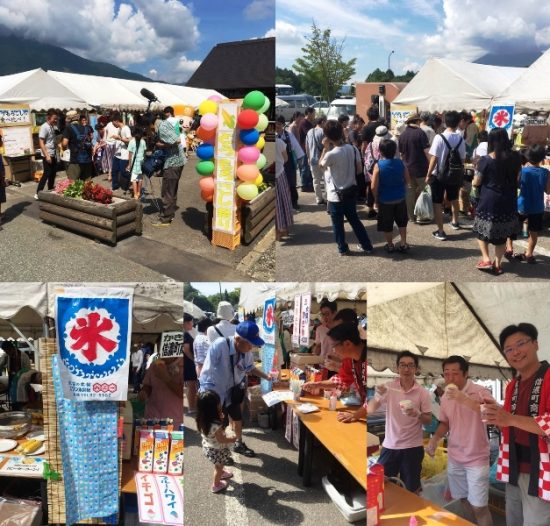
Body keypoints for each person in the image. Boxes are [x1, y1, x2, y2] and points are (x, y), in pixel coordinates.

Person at [483, 323, 550, 526]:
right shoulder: (513, 384)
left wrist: (508, 419)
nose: (515, 352)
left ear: (536, 344)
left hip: (541, 468)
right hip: (513, 465)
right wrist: (497, 415)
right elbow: (509, 426)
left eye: (521, 344)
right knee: (513, 520)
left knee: (536, 522)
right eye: (509, 349)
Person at [426, 356, 494, 526]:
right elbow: (445, 423)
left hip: (477, 458)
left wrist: (462, 398)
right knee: (463, 500)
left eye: (454, 373)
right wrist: (434, 439)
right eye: (446, 374)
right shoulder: (444, 397)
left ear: (465, 374)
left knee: (479, 507)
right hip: (455, 457)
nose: (450, 378)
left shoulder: (480, 390)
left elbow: (492, 413)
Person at [199, 320, 271, 458]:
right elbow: (206, 373)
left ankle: (238, 444)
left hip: (232, 391)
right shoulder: (220, 345)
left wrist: (266, 376)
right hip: (216, 393)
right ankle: (220, 452)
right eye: (250, 343)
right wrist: (210, 399)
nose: (252, 347)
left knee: (238, 418)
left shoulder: (246, 351)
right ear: (238, 339)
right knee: (219, 424)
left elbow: (250, 368)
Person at [367, 351, 432, 493]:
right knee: (380, 484)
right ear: (397, 368)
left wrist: (417, 413)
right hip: (390, 445)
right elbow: (370, 410)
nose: (406, 369)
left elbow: (428, 420)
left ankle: (411, 514)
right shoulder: (389, 387)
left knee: (411, 489)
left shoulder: (423, 393)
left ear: (416, 369)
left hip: (413, 447)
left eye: (410, 365)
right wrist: (378, 396)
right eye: (402, 365)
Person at [319, 119, 374, 256]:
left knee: (337, 224)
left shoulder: (331, 154)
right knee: (355, 220)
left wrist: (325, 148)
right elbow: (359, 170)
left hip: (335, 194)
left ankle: (342, 248)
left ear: (328, 136)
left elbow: (321, 166)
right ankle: (367, 245)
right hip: (351, 191)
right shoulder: (353, 148)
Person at [472, 127, 521, 275]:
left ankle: (486, 259)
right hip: (508, 200)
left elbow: (476, 182)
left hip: (489, 201)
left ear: (491, 141)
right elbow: (518, 179)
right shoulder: (516, 157)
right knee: (501, 235)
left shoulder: (486, 160)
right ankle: (498, 264)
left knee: (482, 232)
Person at [303, 322, 366, 423]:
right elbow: (341, 380)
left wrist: (355, 415)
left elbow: (376, 398)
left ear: (347, 344)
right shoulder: (349, 359)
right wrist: (317, 384)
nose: (333, 351)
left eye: (334, 346)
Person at [505, 144, 550, 263]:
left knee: (512, 227)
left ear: (528, 157)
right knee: (533, 233)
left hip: (522, 205)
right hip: (537, 207)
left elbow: (516, 184)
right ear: (542, 158)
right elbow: (548, 190)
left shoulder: (523, 171)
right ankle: (529, 254)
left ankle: (509, 248)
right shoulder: (545, 172)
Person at [425, 110, 466, 240]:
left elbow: (434, 158)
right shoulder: (460, 139)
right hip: (454, 174)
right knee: (454, 198)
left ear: (444, 122)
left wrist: (428, 174)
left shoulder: (439, 137)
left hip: (438, 175)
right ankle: (455, 221)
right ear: (458, 122)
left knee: (437, 202)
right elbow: (463, 159)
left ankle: (441, 231)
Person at [371, 138, 411, 253]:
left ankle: (390, 245)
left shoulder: (378, 165)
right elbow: (407, 180)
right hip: (400, 198)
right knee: (402, 222)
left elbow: (373, 186)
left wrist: (376, 199)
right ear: (394, 151)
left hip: (385, 200)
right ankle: (403, 243)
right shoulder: (401, 163)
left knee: (387, 224)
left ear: (381, 152)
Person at [150, 110, 187, 226]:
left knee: (167, 191)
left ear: (150, 124)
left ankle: (166, 218)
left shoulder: (162, 127)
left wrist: (161, 144)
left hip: (173, 162)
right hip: (177, 161)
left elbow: (176, 140)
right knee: (172, 190)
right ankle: (170, 212)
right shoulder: (164, 125)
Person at [197, 390, 237, 493]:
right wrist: (233, 439)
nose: (220, 404)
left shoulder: (202, 419)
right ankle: (216, 485)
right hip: (217, 450)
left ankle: (222, 473)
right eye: (218, 403)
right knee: (218, 467)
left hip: (209, 447)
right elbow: (222, 439)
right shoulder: (216, 425)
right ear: (213, 408)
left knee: (219, 465)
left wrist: (219, 417)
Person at [398, 113, 430, 222]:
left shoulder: (402, 135)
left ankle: (411, 217)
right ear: (417, 121)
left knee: (409, 194)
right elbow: (426, 152)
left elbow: (401, 154)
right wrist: (432, 166)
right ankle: (423, 215)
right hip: (421, 168)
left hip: (407, 169)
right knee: (425, 192)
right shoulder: (420, 133)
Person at [139, 353, 183, 427]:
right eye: (160, 348)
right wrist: (144, 392)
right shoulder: (154, 365)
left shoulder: (184, 365)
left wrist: (167, 379)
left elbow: (183, 393)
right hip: (152, 418)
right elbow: (147, 386)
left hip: (174, 421)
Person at [276, 115, 304, 211]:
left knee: (291, 183)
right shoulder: (273, 136)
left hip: (288, 163)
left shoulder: (288, 135)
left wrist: (300, 160)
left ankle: (294, 202)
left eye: (279, 124)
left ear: (283, 125)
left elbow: (296, 148)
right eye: (276, 124)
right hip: (278, 162)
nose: (277, 126)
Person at [62, 113, 94, 181]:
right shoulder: (87, 127)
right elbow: (91, 138)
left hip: (75, 160)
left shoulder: (69, 128)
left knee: (73, 182)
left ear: (69, 119)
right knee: (87, 183)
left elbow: (64, 143)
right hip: (87, 159)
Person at [36, 109, 59, 199]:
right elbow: (41, 142)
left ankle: (50, 189)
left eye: (56, 119)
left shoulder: (52, 126)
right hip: (47, 154)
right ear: (49, 117)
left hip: (53, 153)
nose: (56, 120)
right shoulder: (44, 127)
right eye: (54, 118)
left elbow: (51, 140)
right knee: (47, 173)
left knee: (53, 173)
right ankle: (38, 193)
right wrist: (47, 155)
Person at [305, 115, 328, 204]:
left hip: (312, 159)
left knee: (316, 180)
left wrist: (308, 157)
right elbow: (326, 146)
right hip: (323, 159)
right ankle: (326, 198)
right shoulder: (323, 132)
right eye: (325, 121)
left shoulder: (309, 132)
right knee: (326, 179)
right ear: (322, 122)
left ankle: (318, 198)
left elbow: (307, 146)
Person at [275, 134, 293, 240]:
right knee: (284, 200)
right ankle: (284, 229)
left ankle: (277, 232)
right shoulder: (280, 142)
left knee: (276, 203)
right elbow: (286, 158)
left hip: (271, 171)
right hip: (280, 173)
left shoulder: (267, 142)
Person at [110, 114, 132, 193]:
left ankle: (135, 179)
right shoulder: (120, 129)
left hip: (125, 154)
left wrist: (119, 138)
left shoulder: (126, 128)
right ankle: (115, 186)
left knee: (124, 172)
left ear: (116, 121)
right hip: (118, 153)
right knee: (114, 171)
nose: (113, 125)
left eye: (113, 123)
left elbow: (130, 140)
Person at [298, 107, 316, 192]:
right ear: (309, 113)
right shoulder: (304, 123)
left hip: (309, 147)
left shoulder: (309, 122)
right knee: (305, 167)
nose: (314, 115)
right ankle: (304, 185)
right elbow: (308, 134)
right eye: (313, 113)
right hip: (304, 148)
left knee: (308, 166)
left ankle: (309, 184)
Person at [183, 313, 198, 415]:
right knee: (191, 385)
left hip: (189, 362)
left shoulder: (187, 333)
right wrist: (194, 359)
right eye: (191, 322)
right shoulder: (185, 334)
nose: (192, 324)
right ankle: (191, 407)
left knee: (192, 385)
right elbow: (186, 349)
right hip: (189, 363)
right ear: (186, 323)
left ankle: (192, 406)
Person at [127, 126, 147, 200]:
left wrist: (129, 164)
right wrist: (144, 160)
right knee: (140, 178)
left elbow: (130, 154)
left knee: (134, 179)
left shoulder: (131, 142)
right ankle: (139, 192)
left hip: (134, 163)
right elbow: (145, 153)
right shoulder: (143, 141)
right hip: (141, 162)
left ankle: (135, 194)